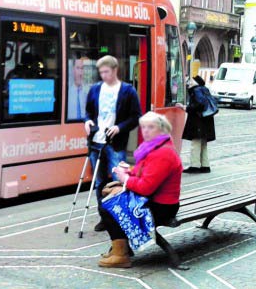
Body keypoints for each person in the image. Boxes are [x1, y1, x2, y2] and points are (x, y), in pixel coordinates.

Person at [98, 112, 182, 268]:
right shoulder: (154, 146)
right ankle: (119, 249)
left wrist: (125, 179)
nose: (146, 131)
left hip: (162, 207)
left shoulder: (163, 153)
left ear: (161, 129)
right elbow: (142, 172)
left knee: (109, 207)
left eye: (151, 127)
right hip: (155, 201)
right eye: (143, 127)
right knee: (109, 201)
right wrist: (127, 171)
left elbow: (146, 187)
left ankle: (121, 254)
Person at [84, 55, 142, 231]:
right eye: (101, 72)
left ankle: (121, 217)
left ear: (115, 70)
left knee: (118, 181)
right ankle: (104, 217)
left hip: (115, 144)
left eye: (106, 72)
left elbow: (136, 117)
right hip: (96, 143)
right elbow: (88, 113)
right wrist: (87, 122)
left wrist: (119, 127)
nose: (103, 76)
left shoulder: (128, 91)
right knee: (99, 182)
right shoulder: (95, 89)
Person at [179, 76, 216, 174]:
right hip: (207, 120)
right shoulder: (205, 89)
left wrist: (185, 108)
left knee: (195, 143)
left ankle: (194, 166)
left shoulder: (196, 90)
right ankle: (205, 166)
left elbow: (199, 105)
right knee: (203, 143)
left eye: (192, 80)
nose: (189, 82)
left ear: (196, 83)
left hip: (198, 121)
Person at [67, 55, 90, 121]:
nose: (80, 73)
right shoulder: (67, 92)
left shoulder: (89, 92)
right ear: (73, 70)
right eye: (78, 68)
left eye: (82, 69)